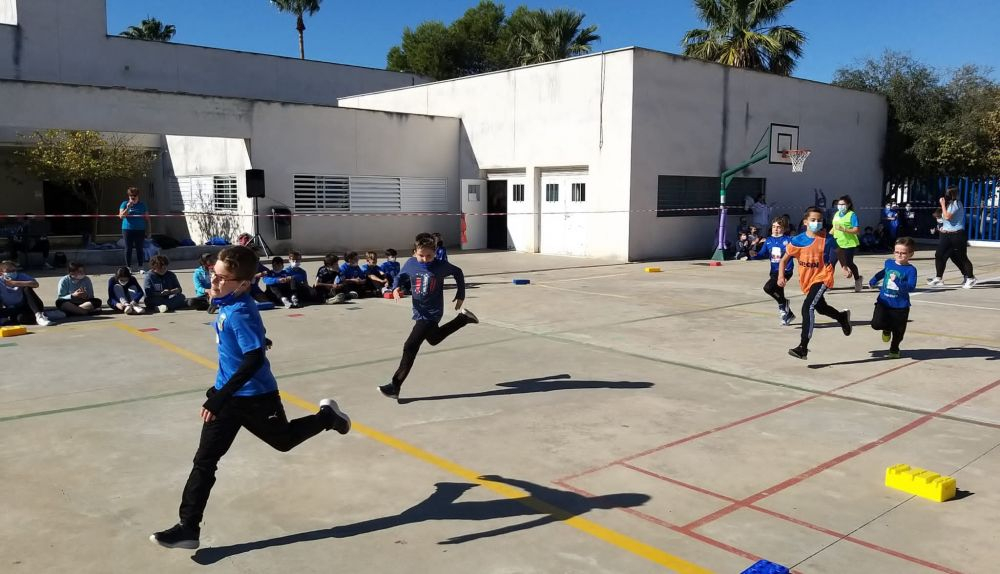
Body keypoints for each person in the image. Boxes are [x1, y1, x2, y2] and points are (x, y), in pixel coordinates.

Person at [149, 246, 351, 550]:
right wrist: (253, 347)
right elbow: (247, 341)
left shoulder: (240, 311)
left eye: (221, 278)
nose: (213, 282)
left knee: (284, 441)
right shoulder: (229, 303)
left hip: (257, 397)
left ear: (243, 284)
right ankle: (188, 528)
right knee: (204, 461)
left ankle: (327, 417)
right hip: (227, 394)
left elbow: (254, 360)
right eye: (213, 275)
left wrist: (219, 397)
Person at [379, 235, 479, 400]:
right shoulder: (411, 263)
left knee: (410, 346)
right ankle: (463, 319)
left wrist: (461, 294)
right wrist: (395, 288)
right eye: (421, 255)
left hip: (432, 312)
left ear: (435, 253)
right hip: (419, 311)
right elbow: (400, 276)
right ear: (414, 252)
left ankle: (395, 386)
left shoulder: (440, 266)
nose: (425, 259)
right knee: (433, 339)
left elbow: (458, 272)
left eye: (429, 256)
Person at [778, 207, 853, 360]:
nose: (817, 223)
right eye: (813, 220)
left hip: (823, 277)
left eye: (819, 220)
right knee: (821, 307)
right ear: (805, 222)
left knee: (808, 307)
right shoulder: (797, 240)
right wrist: (781, 276)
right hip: (807, 279)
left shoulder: (827, 239)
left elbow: (839, 251)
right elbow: (783, 260)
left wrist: (844, 267)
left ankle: (802, 347)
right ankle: (841, 317)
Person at [869, 237, 918, 359]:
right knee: (876, 324)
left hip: (900, 306)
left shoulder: (911, 270)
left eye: (903, 253)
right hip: (884, 302)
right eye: (897, 252)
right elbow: (883, 272)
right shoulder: (889, 263)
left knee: (898, 331)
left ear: (910, 254)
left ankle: (894, 348)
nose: (899, 255)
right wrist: (874, 279)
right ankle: (886, 329)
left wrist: (897, 282)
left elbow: (911, 287)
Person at [927, 187, 977, 289]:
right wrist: (941, 227)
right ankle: (938, 278)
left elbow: (947, 217)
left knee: (962, 257)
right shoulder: (949, 204)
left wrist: (942, 205)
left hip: (957, 234)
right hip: (946, 234)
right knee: (939, 255)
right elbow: (943, 218)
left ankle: (970, 278)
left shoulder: (956, 204)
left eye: (947, 194)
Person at [752, 217, 795, 326]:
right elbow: (762, 254)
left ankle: (784, 302)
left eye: (779, 227)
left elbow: (797, 253)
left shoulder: (789, 240)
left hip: (785, 271)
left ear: (784, 229)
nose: (775, 229)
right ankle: (787, 314)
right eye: (774, 227)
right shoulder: (768, 241)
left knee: (768, 288)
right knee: (779, 293)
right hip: (774, 271)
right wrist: (754, 255)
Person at [0, 260, 55, 326]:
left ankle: (39, 316)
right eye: (9, 271)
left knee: (27, 288)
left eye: (14, 270)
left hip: (30, 305)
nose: (12, 272)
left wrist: (15, 283)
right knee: (19, 318)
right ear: (1, 273)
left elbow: (36, 284)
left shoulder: (21, 276)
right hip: (14, 308)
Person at [831, 195, 863, 292]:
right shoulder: (836, 214)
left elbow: (857, 230)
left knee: (849, 262)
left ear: (848, 205)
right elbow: (834, 227)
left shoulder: (852, 215)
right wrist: (827, 236)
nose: (840, 206)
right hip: (837, 242)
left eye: (843, 204)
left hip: (849, 243)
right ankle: (827, 283)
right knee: (831, 263)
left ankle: (857, 279)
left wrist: (844, 229)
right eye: (839, 204)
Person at [118, 186, 152, 273]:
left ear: (138, 196)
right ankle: (128, 267)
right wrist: (128, 208)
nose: (133, 198)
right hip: (127, 229)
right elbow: (121, 216)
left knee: (139, 248)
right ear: (128, 196)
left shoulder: (142, 205)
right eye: (131, 196)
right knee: (128, 248)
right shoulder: (124, 204)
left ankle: (140, 267)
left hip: (140, 229)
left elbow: (147, 218)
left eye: (135, 196)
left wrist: (149, 231)